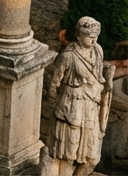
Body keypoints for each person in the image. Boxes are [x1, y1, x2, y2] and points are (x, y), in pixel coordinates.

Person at [45, 16, 115, 176]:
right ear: (78, 36)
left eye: (96, 36)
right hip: (71, 111)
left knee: (92, 158)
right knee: (69, 156)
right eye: (90, 36)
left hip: (91, 108)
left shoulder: (98, 50)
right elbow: (54, 85)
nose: (93, 39)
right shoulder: (68, 56)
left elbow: (98, 74)